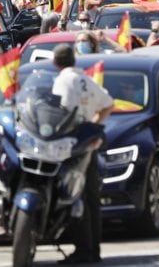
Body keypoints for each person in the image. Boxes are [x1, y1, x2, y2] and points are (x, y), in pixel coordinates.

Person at [51, 43, 113, 265]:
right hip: (87, 143)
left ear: (55, 63)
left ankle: (83, 249)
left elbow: (59, 110)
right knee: (91, 199)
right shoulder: (86, 79)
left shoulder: (62, 81)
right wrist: (94, 125)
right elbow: (108, 104)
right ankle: (93, 249)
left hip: (71, 146)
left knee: (76, 198)